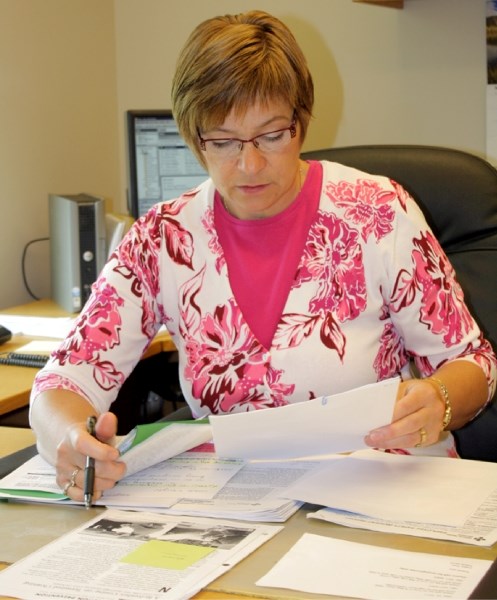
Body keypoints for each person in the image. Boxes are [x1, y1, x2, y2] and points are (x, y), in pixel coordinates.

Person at [30, 10, 497, 504]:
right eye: (223, 142)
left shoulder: (379, 211)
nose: (250, 165)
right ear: (194, 137)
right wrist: (67, 438)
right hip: (240, 501)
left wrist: (441, 401)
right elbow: (66, 375)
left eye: (272, 135)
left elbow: (474, 362)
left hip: (383, 487)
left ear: (301, 121)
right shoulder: (162, 238)